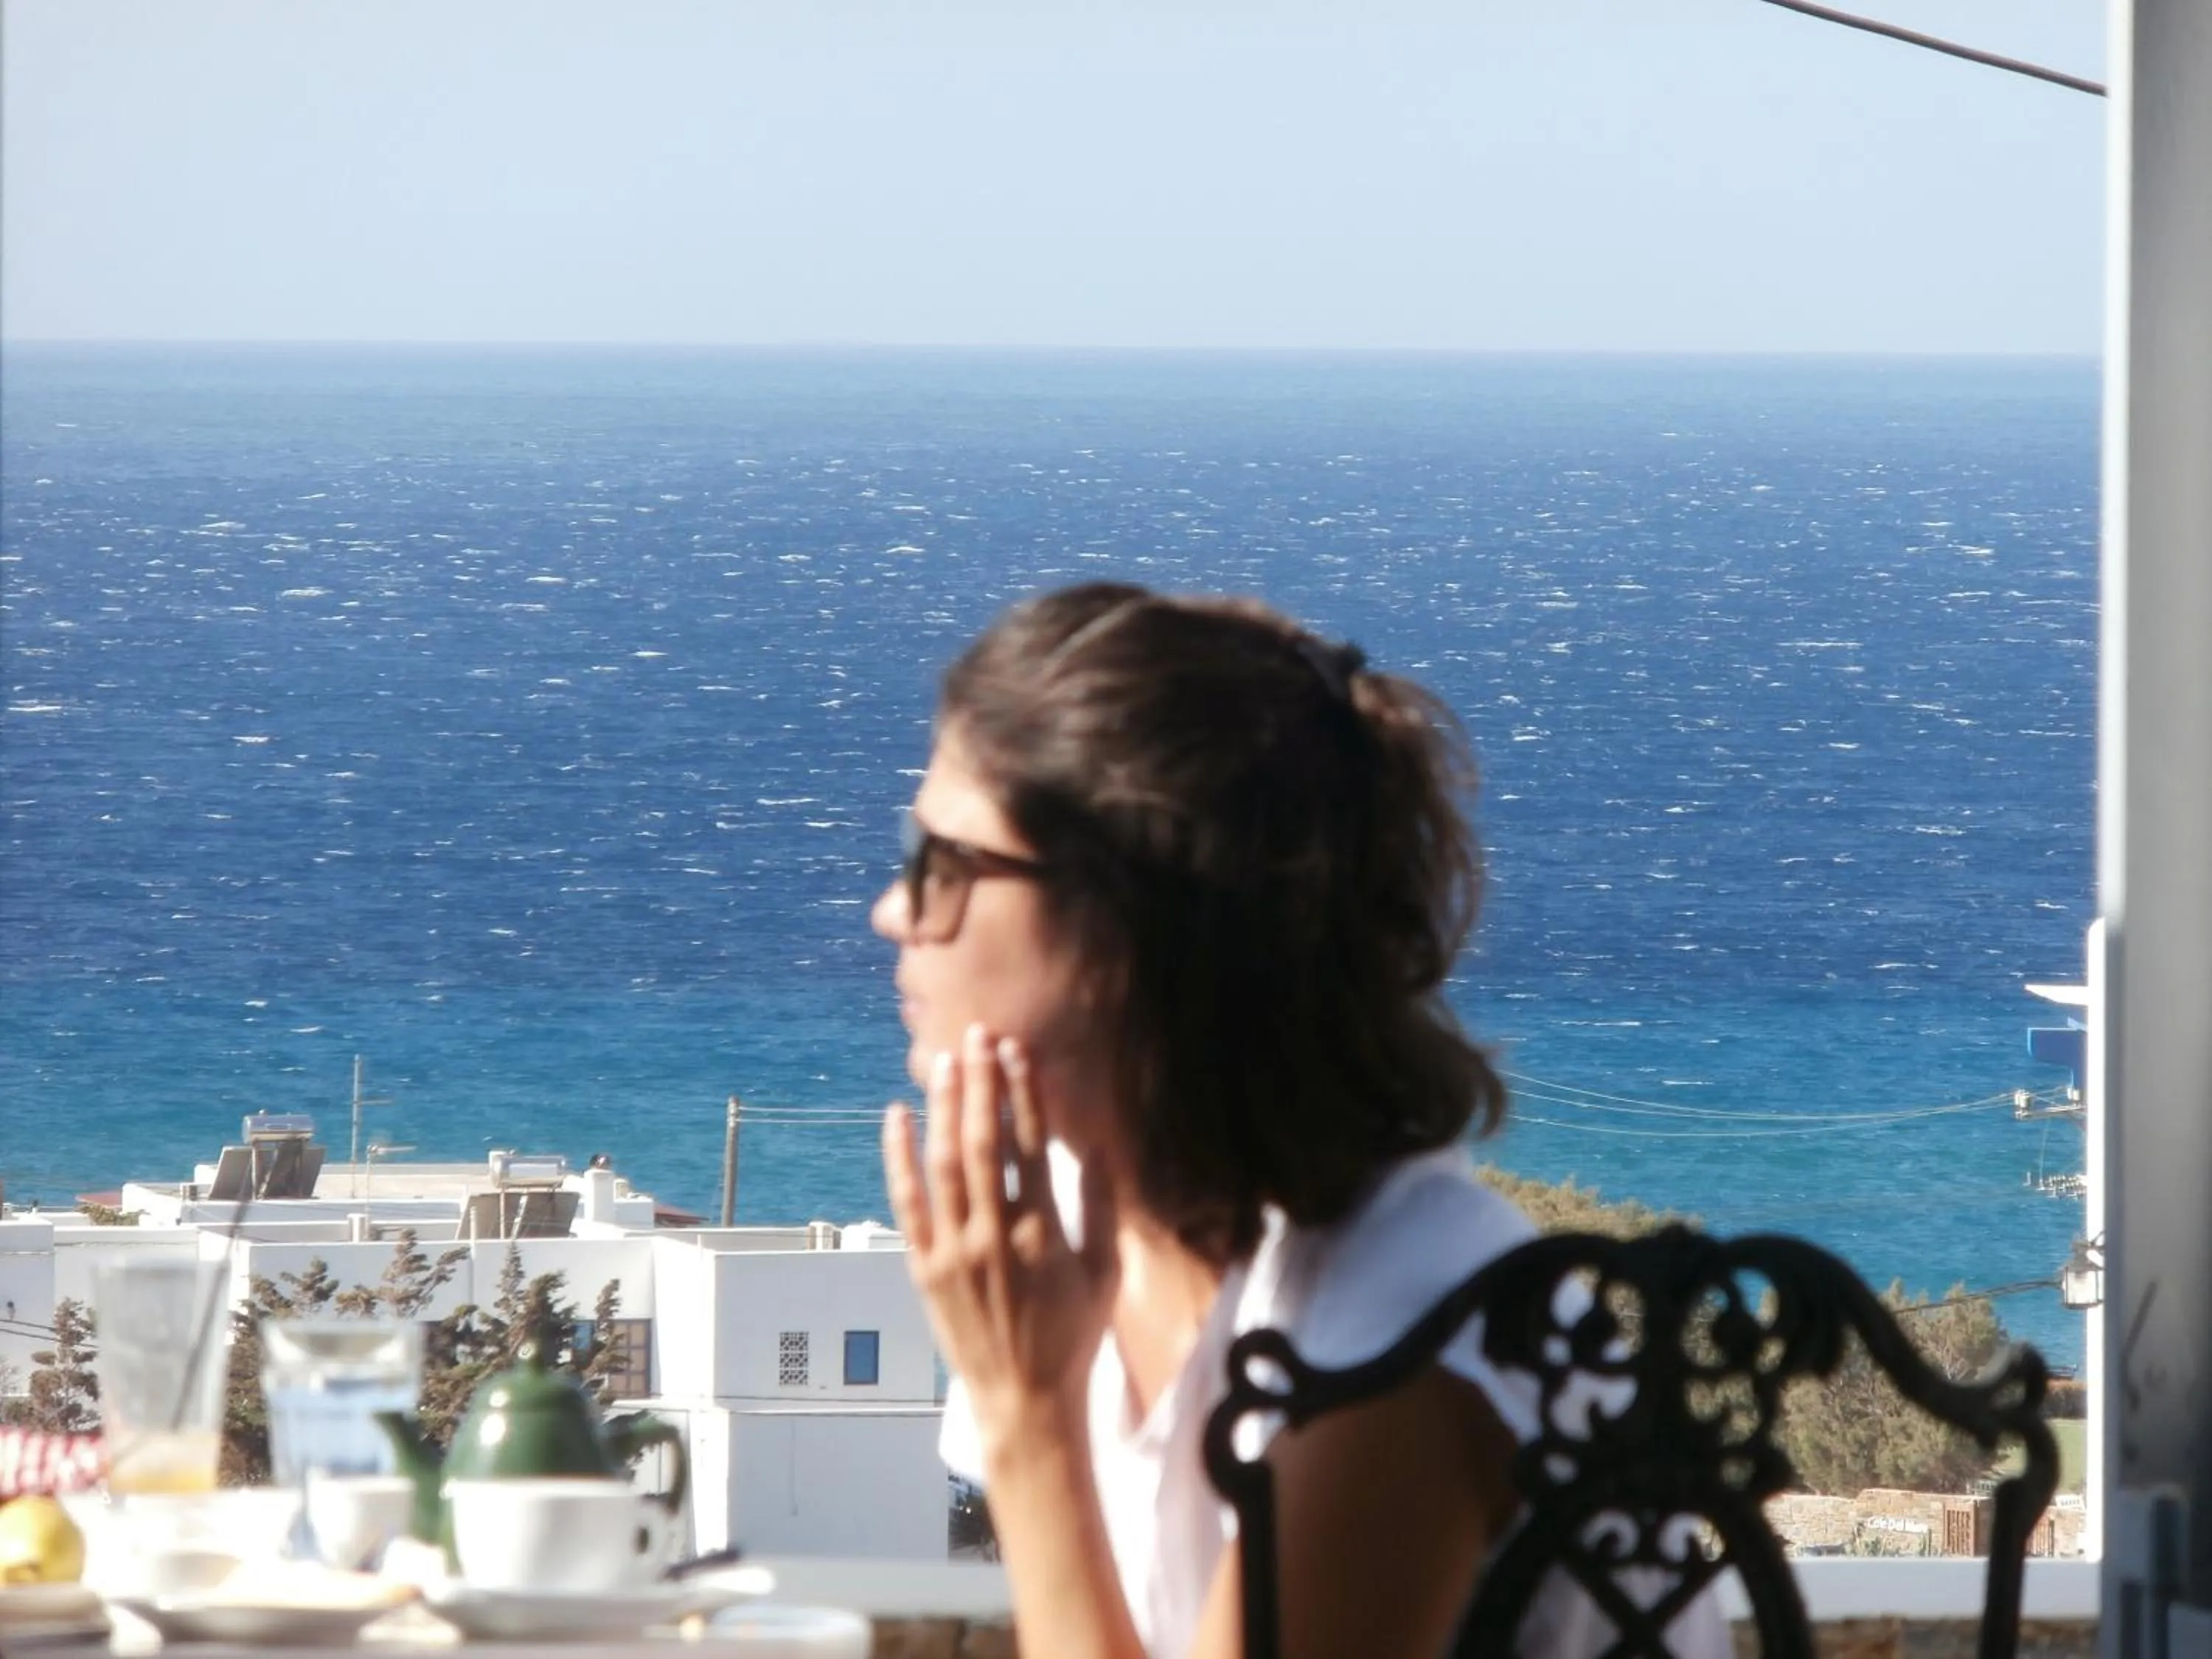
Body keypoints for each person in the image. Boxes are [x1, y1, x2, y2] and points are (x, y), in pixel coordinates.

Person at [874, 582, 1725, 1659]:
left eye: (945, 866)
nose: (894, 910)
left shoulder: (1407, 1337)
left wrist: (1026, 1413)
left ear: (1122, 933)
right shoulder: (1081, 1246)